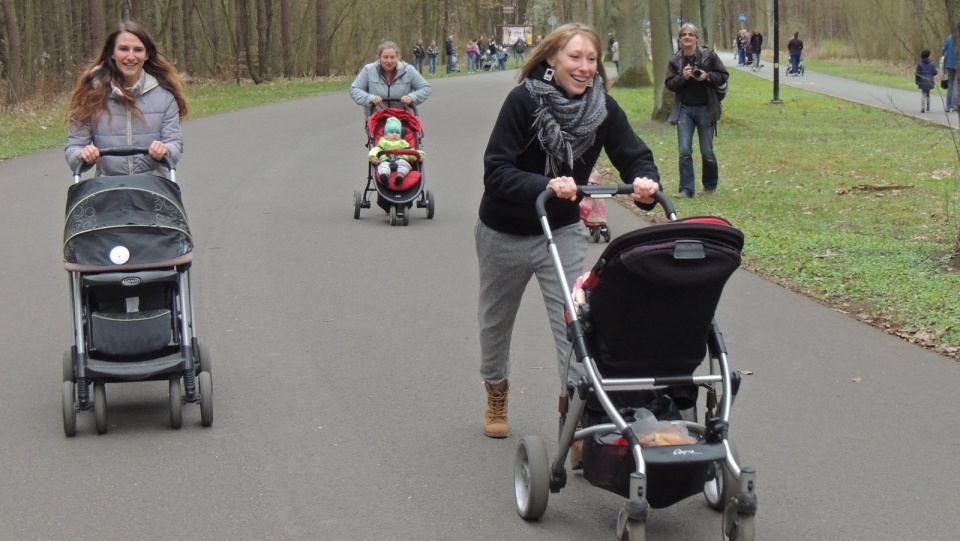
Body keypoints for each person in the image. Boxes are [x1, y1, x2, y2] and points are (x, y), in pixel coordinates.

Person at [476, 22, 661, 458]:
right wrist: (543, 183)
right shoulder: (523, 102)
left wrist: (645, 183)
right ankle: (497, 389)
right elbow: (496, 169)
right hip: (504, 231)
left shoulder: (603, 109)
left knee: (577, 326)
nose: (583, 67)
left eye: (591, 59)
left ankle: (574, 422)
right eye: (574, 57)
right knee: (495, 321)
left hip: (561, 230)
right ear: (551, 59)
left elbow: (634, 154)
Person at [65, 20, 187, 179]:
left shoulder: (165, 97)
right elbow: (74, 147)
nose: (131, 56)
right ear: (112, 53)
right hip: (108, 190)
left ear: (146, 54)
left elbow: (175, 145)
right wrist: (82, 155)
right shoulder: (91, 96)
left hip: (155, 189)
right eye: (123, 49)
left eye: (138, 50)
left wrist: (165, 150)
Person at [665, 23, 729, 198]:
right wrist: (683, 77)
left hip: (706, 108)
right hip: (684, 109)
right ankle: (686, 189)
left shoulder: (709, 56)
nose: (687, 37)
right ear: (680, 39)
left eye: (691, 34)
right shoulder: (676, 60)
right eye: (684, 35)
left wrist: (707, 76)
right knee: (684, 151)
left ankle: (709, 186)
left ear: (696, 38)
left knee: (707, 151)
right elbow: (670, 84)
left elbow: (723, 76)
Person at [350, 41, 432, 113]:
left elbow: (425, 88)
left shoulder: (408, 70)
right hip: (377, 118)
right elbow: (355, 89)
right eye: (385, 57)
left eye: (392, 57)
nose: (389, 61)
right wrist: (370, 98)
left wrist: (412, 97)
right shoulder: (368, 70)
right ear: (379, 57)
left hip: (403, 118)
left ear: (397, 57)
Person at [368, 116, 423, 186]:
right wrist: (372, 157)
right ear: (385, 135)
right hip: (386, 160)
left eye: (397, 132)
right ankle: (384, 176)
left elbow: (411, 151)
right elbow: (376, 149)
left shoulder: (403, 143)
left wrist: (419, 155)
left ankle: (400, 176)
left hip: (401, 159)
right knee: (383, 166)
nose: (394, 134)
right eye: (391, 132)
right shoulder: (383, 142)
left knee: (405, 165)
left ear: (400, 135)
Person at [916, 49, 938, 113]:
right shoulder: (932, 63)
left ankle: (922, 107)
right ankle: (928, 107)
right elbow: (935, 72)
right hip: (930, 80)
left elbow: (917, 74)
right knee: (928, 93)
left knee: (923, 93)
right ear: (929, 56)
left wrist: (917, 81)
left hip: (922, 81)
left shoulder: (919, 64)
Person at [943, 34, 957, 112]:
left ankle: (948, 106)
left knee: (950, 84)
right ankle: (955, 105)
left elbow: (943, 50)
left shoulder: (949, 38)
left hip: (949, 64)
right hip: (957, 64)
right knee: (956, 84)